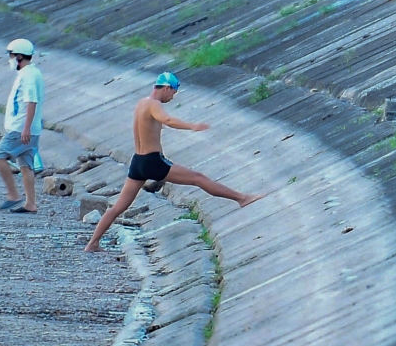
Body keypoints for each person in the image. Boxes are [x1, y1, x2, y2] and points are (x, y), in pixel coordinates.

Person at [85, 72, 264, 252]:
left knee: (118, 207)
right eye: (173, 92)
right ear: (166, 88)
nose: (172, 97)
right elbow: (168, 120)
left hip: (137, 162)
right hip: (152, 161)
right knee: (198, 178)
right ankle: (242, 198)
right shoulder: (154, 104)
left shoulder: (141, 104)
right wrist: (192, 126)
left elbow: (149, 126)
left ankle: (92, 243)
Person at [0, 39, 43, 214]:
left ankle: (13, 195)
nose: (10, 59)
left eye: (11, 55)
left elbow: (31, 102)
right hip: (30, 128)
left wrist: (25, 128)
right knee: (25, 165)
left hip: (20, 128)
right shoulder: (33, 72)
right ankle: (30, 203)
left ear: (19, 57)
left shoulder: (27, 75)